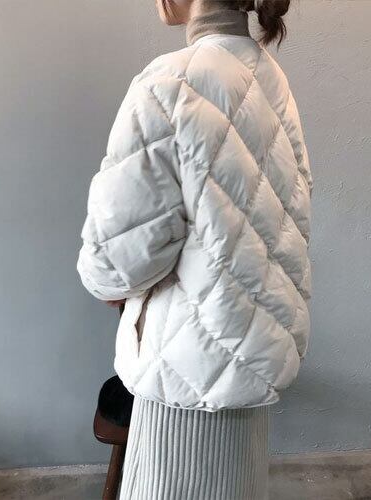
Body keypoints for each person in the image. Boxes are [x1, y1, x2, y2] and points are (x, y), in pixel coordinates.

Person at [77, 0, 313, 498]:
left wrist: (107, 284)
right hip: (251, 362)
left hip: (183, 372)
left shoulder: (167, 82)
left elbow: (116, 257)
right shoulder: (273, 81)